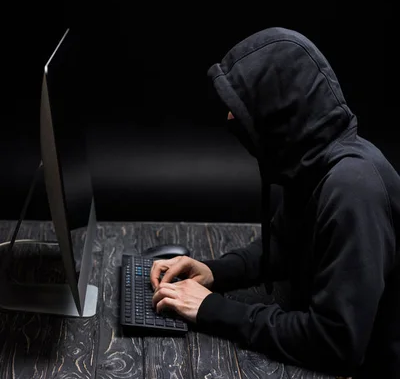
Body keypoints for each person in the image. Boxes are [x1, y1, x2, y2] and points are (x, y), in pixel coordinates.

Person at [150, 27, 400, 379]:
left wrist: (211, 309)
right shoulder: (311, 164)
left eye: (244, 106)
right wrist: (214, 272)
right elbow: (285, 245)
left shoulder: (352, 190)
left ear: (283, 108)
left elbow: (336, 344)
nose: (231, 118)